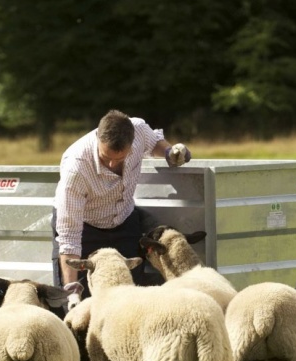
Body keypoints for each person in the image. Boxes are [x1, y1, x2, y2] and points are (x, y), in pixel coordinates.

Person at [52, 109, 192, 294]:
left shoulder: (139, 130)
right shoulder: (76, 168)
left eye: (120, 159)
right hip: (85, 230)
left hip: (124, 221)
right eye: (105, 158)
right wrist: (71, 291)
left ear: (133, 143)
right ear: (98, 139)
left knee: (131, 292)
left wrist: (169, 152)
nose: (112, 164)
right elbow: (69, 235)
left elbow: (154, 142)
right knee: (84, 298)